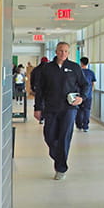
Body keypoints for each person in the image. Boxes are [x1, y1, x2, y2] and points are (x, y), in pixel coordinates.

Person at [33, 43, 88, 180]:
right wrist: (37, 108)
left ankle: (60, 168)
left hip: (69, 109)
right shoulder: (47, 68)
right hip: (50, 108)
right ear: (56, 52)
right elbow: (40, 90)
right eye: (61, 51)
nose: (63, 53)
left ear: (69, 53)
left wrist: (82, 98)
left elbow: (85, 84)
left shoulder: (74, 68)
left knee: (64, 137)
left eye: (66, 51)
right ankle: (58, 156)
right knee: (49, 136)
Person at [75, 57, 96, 132]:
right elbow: (93, 84)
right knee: (87, 110)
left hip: (79, 95)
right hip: (88, 95)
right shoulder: (91, 72)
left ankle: (79, 125)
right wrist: (90, 91)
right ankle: (85, 126)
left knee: (78, 110)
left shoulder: (78, 72)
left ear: (81, 63)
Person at [30, 56, 49, 124]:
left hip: (38, 88)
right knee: (46, 102)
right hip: (48, 89)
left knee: (39, 102)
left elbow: (32, 79)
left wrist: (32, 88)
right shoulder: (49, 69)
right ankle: (46, 116)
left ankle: (41, 118)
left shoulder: (36, 69)